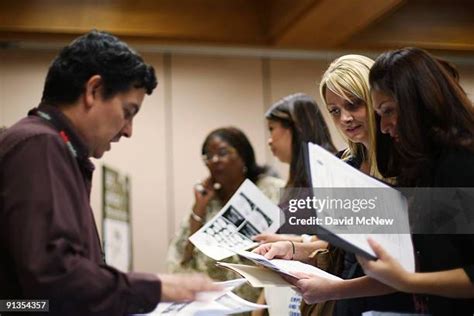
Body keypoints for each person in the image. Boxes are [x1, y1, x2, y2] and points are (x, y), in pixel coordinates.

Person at [0, 30, 218, 316]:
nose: (128, 130)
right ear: (93, 90)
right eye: (128, 112)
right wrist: (156, 288)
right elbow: (53, 281)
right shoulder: (40, 144)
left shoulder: (50, 146)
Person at [254, 55, 414, 315]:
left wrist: (332, 288)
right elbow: (338, 247)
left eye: (354, 104)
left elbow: (408, 265)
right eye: (335, 111)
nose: (345, 118)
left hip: (391, 305)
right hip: (346, 303)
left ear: (375, 100)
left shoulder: (405, 166)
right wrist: (293, 249)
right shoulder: (345, 165)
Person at [358, 47, 474, 315]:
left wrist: (409, 282)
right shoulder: (426, 166)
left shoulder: (461, 163)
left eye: (388, 111)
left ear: (418, 103)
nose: (384, 127)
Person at [166, 127, 285, 304]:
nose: (214, 160)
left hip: (264, 304)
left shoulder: (272, 190)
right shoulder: (207, 202)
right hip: (213, 305)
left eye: (223, 153)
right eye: (208, 156)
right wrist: (198, 209)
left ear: (243, 155)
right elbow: (180, 261)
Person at [252, 93, 336, 316]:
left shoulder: (329, 171)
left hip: (315, 294)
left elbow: (333, 243)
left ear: (295, 128)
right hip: (288, 294)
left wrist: (289, 241)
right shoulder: (295, 179)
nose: (269, 140)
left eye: (272, 129)